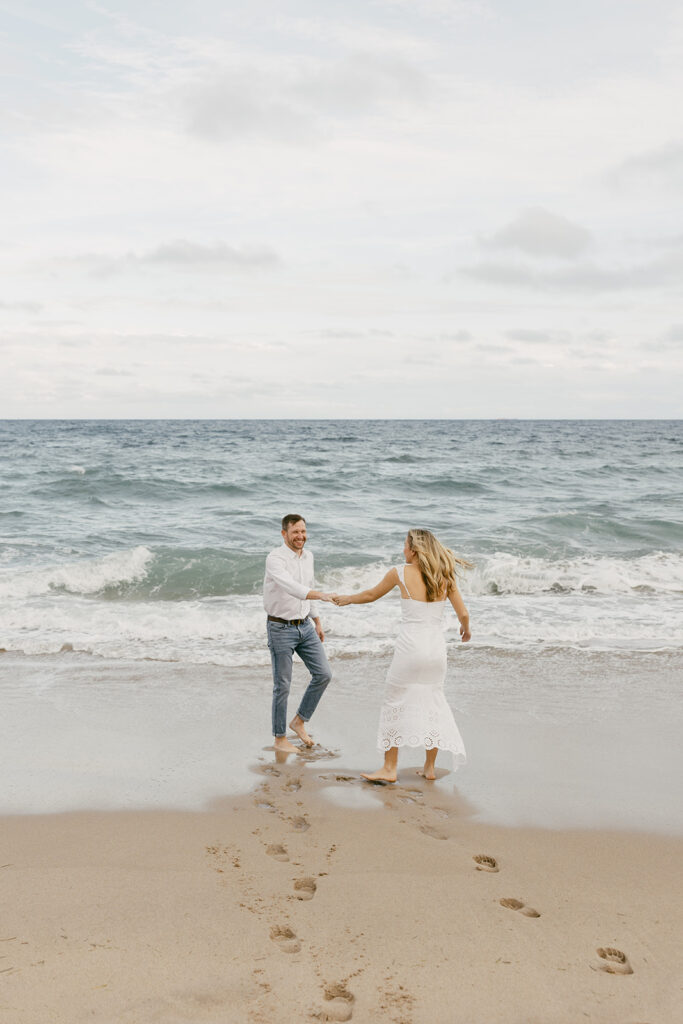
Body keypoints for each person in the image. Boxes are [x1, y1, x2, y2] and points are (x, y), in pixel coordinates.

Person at [334, 529, 471, 782]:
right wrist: (466, 630)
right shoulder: (445, 575)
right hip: (436, 651)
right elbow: (463, 614)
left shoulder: (399, 572)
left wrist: (346, 600)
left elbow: (370, 595)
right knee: (433, 703)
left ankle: (389, 768)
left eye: (405, 545)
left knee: (393, 702)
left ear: (414, 549)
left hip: (410, 649)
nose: (402, 550)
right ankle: (429, 768)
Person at [264, 514, 336, 754]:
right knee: (282, 684)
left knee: (323, 674)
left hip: (305, 626)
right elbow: (292, 588)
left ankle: (300, 721)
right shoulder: (275, 559)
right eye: (295, 532)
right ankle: (279, 738)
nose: (301, 536)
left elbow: (307, 582)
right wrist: (321, 595)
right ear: (284, 534)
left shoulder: (309, 556)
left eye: (303, 531)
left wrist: (317, 620)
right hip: (280, 627)